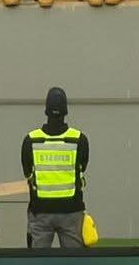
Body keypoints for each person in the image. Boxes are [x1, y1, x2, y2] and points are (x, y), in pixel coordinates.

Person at [21, 87, 89, 248]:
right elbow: (83, 167)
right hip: (72, 211)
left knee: (38, 264)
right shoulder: (79, 139)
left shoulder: (31, 140)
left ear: (46, 111)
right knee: (74, 264)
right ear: (66, 111)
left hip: (40, 211)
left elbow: (27, 172)